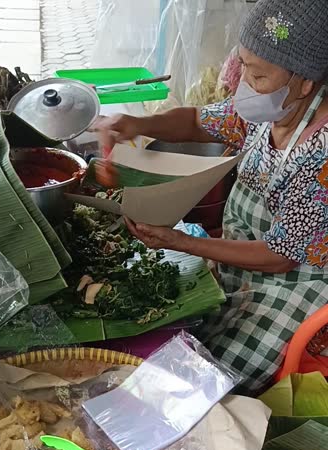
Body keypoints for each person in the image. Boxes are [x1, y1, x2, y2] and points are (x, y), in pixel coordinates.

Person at [97, 0, 328, 395]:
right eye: (244, 66)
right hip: (241, 252)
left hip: (295, 278)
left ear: (305, 82)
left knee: (208, 373)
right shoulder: (268, 111)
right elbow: (195, 121)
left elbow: (281, 255)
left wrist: (184, 241)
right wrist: (135, 123)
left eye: (258, 76)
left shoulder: (320, 151)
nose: (246, 86)